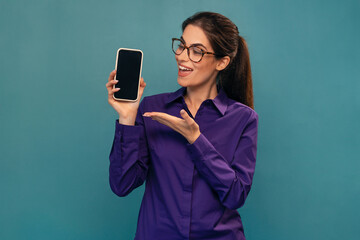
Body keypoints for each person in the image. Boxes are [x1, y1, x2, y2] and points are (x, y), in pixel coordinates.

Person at [106, 11, 259, 240]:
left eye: (196, 51)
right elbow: (122, 184)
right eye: (181, 46)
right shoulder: (151, 109)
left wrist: (196, 140)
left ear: (222, 61)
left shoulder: (244, 119)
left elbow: (235, 195)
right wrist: (127, 118)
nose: (182, 57)